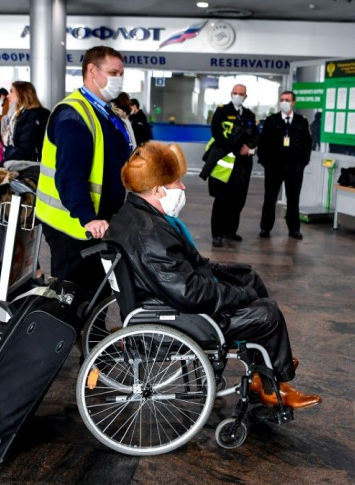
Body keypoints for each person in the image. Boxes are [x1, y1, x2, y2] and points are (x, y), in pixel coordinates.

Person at [105, 141, 321, 409]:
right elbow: (189, 293)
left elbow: (183, 268)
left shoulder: (138, 215)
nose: (183, 187)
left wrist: (230, 278)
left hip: (165, 300)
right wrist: (240, 296)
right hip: (178, 317)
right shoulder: (150, 234)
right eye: (176, 183)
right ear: (158, 188)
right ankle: (274, 383)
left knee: (248, 276)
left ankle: (265, 367)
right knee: (267, 313)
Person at [35, 45, 132, 292]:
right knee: (76, 293)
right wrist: (88, 217)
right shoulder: (73, 116)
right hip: (74, 225)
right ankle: (73, 332)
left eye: (121, 74)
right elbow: (70, 174)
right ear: (92, 70)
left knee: (98, 289)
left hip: (102, 222)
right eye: (113, 72)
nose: (118, 79)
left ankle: (93, 332)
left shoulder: (107, 113)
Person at [200, 84, 259, 247]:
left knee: (238, 200)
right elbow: (217, 133)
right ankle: (217, 234)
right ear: (231, 94)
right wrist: (237, 147)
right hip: (225, 163)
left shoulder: (249, 115)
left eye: (241, 94)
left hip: (243, 165)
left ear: (246, 96)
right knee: (221, 200)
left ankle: (230, 231)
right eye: (235, 93)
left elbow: (255, 135)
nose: (238, 96)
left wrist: (249, 146)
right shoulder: (221, 112)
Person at [257, 90, 312, 240]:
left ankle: (294, 229)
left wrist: (302, 164)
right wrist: (266, 163)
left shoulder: (302, 121)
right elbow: (263, 144)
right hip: (274, 167)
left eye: (287, 100)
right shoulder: (271, 120)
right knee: (270, 198)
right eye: (282, 99)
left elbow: (307, 144)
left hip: (294, 168)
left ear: (293, 102)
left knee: (293, 199)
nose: (284, 102)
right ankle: (265, 228)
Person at [1, 81, 50, 162]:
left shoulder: (32, 116)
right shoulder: (23, 115)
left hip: (32, 168)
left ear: (22, 94)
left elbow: (24, 150)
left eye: (11, 91)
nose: (8, 96)